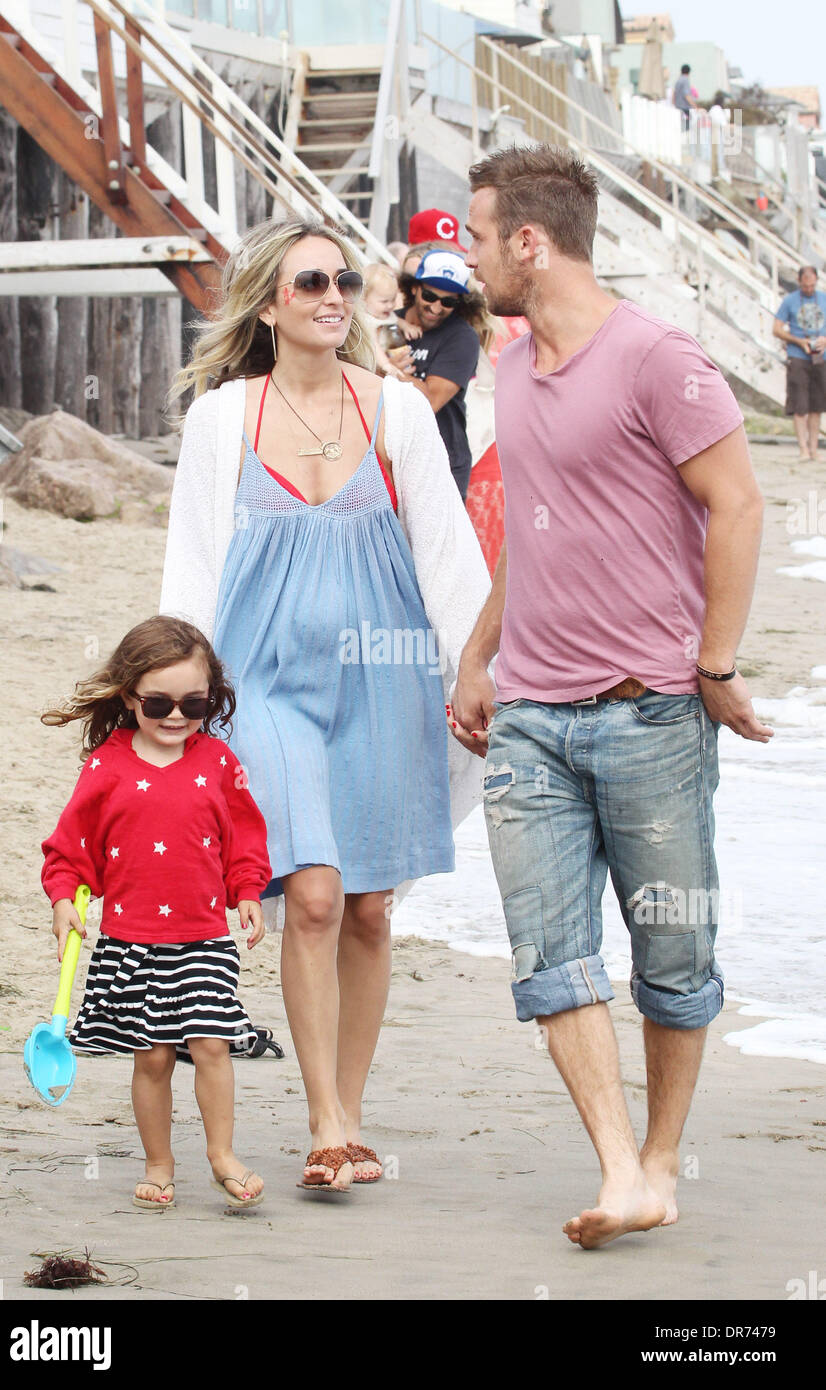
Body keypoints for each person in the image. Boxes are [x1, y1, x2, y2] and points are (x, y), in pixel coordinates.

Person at [455, 143, 773, 1249]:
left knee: (671, 956)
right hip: (532, 720)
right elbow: (532, 532)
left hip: (649, 713)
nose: (468, 251)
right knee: (548, 953)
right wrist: (475, 654)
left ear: (527, 243)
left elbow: (735, 505)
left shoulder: (657, 359)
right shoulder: (507, 365)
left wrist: (714, 665)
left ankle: (659, 1158)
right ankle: (615, 1163)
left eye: (477, 232)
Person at [160, 217, 489, 1192]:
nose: (333, 295)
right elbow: (191, 568)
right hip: (260, 684)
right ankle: (325, 1121)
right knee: (307, 891)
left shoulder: (393, 411)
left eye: (344, 278)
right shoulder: (224, 419)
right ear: (268, 303)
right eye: (309, 282)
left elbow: (444, 552)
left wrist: (475, 672)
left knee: (368, 907)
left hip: (383, 681)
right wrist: (172, 700)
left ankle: (349, 1107)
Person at [40, 616, 272, 1213]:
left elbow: (245, 836)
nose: (176, 716)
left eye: (194, 703)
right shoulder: (107, 766)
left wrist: (248, 889)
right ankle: (158, 1162)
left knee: (214, 1046)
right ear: (129, 696)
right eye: (158, 703)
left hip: (203, 937)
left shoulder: (219, 762)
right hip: (132, 940)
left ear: (211, 698)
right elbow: (71, 847)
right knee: (154, 1057)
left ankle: (221, 1154)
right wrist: (64, 898)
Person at [395, 249, 484, 499]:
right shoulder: (387, 323)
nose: (436, 307)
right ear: (414, 288)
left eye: (448, 302)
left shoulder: (463, 337)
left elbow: (430, 401)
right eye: (430, 295)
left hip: (441, 463)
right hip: (388, 458)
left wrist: (389, 369)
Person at [773, 266, 826, 460]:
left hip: (820, 357)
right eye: (805, 285)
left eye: (812, 285)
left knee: (817, 406)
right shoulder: (790, 300)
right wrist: (798, 341)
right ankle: (802, 449)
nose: (809, 289)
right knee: (800, 405)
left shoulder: (823, 298)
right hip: (798, 356)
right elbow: (776, 329)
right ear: (799, 281)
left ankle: (814, 450)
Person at [673, 63, 694, 129]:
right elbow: (687, 95)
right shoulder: (685, 80)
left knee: (679, 127)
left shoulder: (678, 81)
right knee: (686, 129)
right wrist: (695, 106)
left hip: (677, 107)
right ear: (689, 72)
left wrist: (674, 104)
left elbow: (674, 94)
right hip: (685, 108)